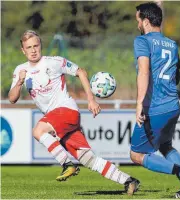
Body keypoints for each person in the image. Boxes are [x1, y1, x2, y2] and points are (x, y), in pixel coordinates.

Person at [8, 30, 140, 195]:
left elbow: (81, 72)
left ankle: (67, 164)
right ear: (23, 50)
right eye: (29, 47)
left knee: (38, 131)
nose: (33, 50)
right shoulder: (20, 70)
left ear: (40, 45)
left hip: (66, 110)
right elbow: (12, 98)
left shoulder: (54, 62)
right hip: (57, 119)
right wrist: (20, 81)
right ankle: (128, 180)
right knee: (87, 158)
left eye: (36, 45)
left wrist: (91, 99)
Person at [130, 2, 180, 198]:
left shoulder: (142, 41)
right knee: (165, 146)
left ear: (147, 21)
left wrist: (139, 104)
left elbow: (144, 72)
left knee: (136, 155)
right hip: (173, 106)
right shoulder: (172, 44)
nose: (138, 25)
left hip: (155, 108)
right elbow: (176, 76)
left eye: (139, 20)